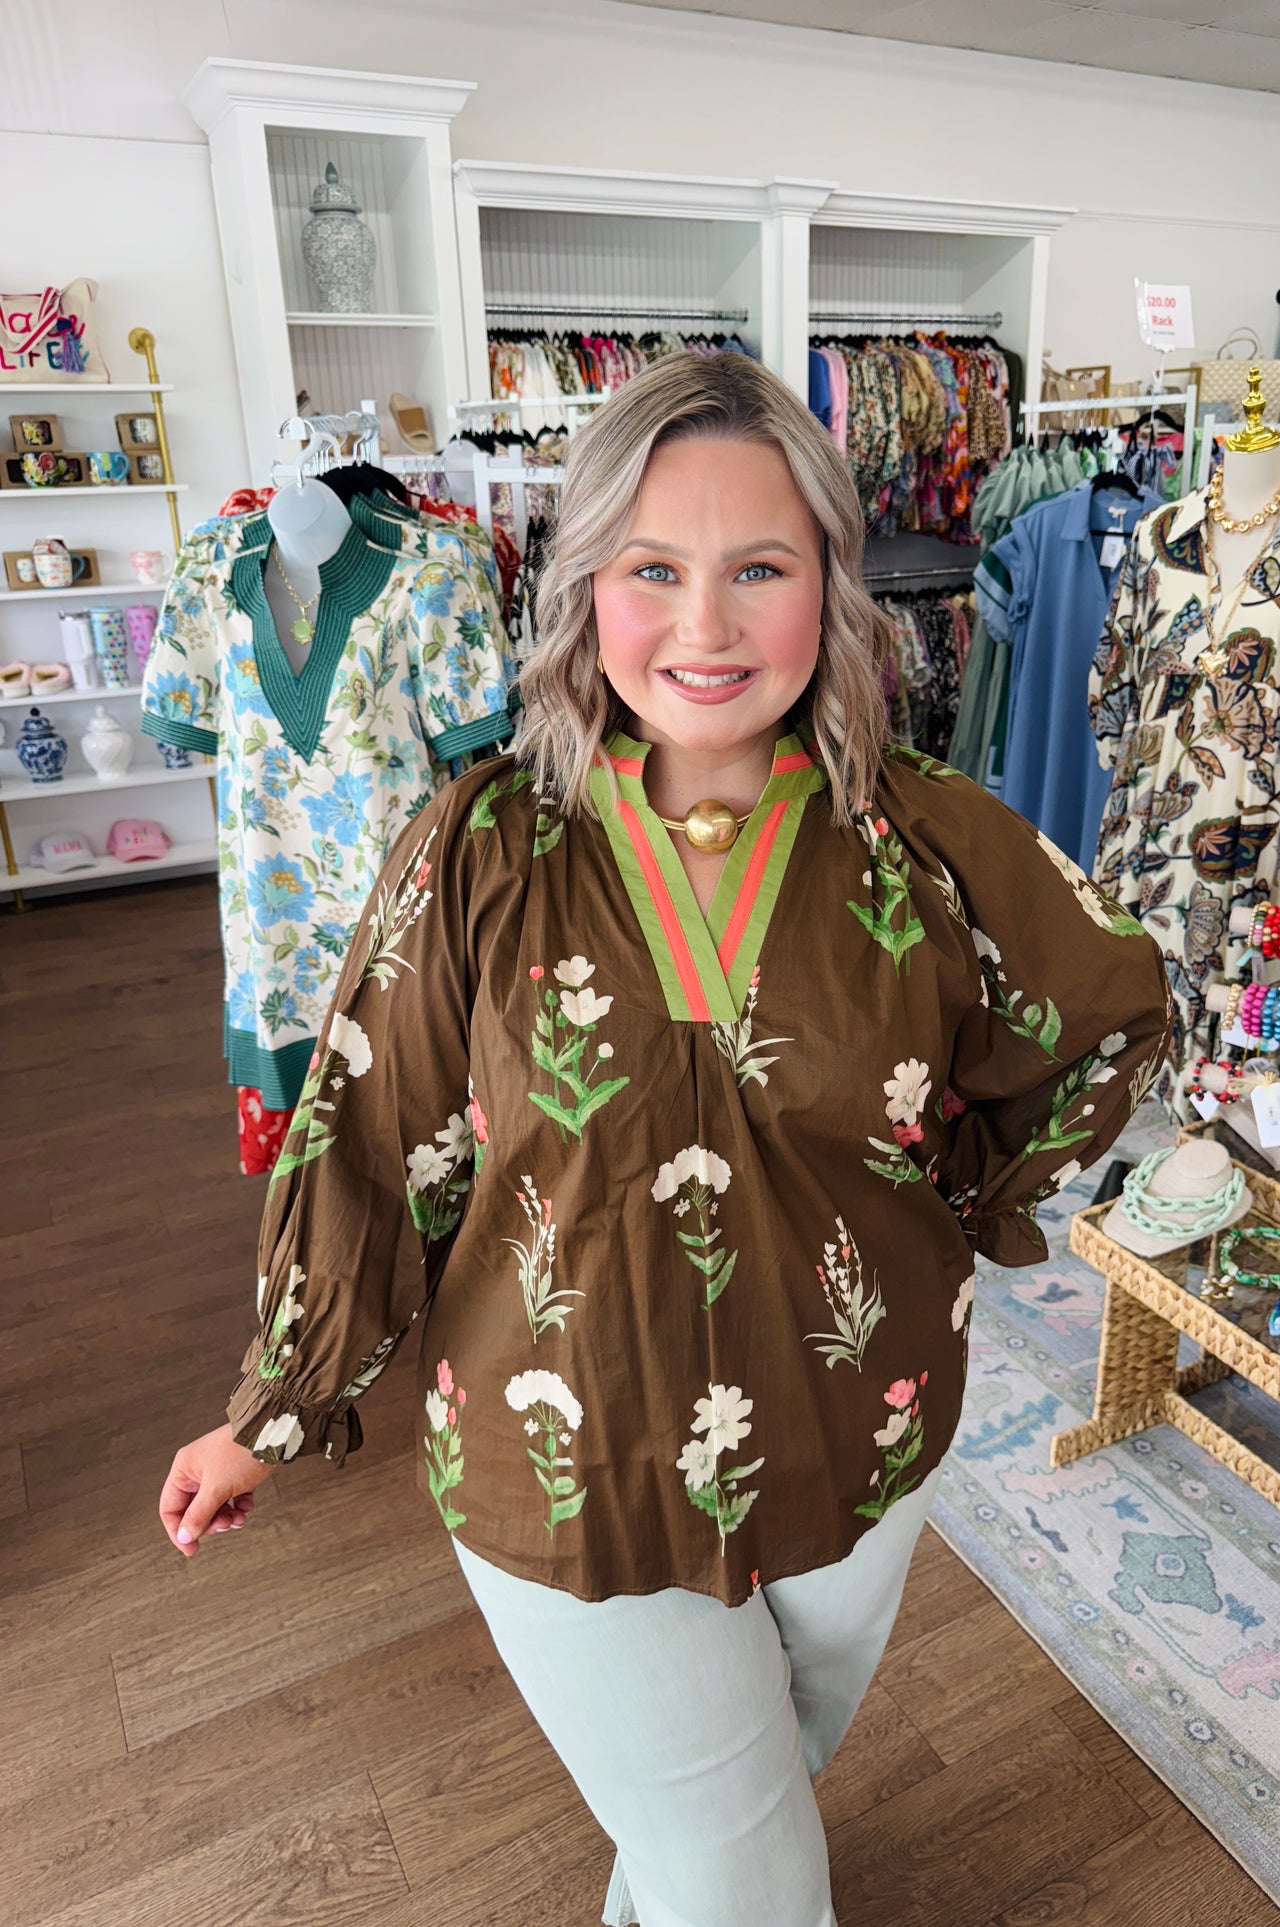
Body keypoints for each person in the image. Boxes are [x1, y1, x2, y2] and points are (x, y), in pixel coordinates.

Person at [159, 351, 1171, 1927]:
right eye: (653, 569)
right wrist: (275, 1408)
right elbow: (368, 1141)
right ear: (585, 589)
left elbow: (1100, 1015)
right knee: (742, 1869)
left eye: (757, 567)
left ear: (829, 588)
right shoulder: (484, 845)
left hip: (864, 1437)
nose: (704, 627)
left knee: (757, 1781)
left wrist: (962, 1189)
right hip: (567, 1461)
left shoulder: (931, 842)